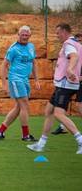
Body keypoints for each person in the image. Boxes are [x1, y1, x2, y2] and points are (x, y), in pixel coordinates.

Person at [27, 23, 82, 154]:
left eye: (58, 33)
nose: (57, 36)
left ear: (64, 32)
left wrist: (69, 68)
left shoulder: (68, 44)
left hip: (65, 84)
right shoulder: (78, 43)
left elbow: (74, 57)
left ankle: (80, 140)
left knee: (58, 114)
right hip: (63, 84)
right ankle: (41, 144)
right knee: (49, 111)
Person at [0, 25, 40, 141]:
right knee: (25, 105)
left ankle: (1, 130)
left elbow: (34, 63)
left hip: (25, 80)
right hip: (15, 79)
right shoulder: (13, 48)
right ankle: (25, 135)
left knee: (19, 107)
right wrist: (4, 83)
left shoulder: (31, 47)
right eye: (22, 34)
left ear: (30, 36)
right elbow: (4, 65)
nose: (24, 37)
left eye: (26, 35)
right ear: (18, 35)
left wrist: (36, 80)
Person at [51, 33, 82, 135]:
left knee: (79, 106)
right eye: (78, 39)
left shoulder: (75, 49)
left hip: (75, 81)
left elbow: (75, 58)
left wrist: (71, 70)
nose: (78, 42)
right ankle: (63, 126)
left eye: (80, 40)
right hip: (75, 81)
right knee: (59, 108)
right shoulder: (77, 49)